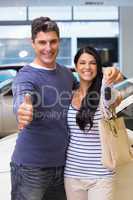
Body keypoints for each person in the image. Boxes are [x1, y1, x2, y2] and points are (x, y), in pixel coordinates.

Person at [11, 16, 123, 200]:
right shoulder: (25, 76)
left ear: (59, 42)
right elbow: (22, 97)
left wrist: (110, 76)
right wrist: (22, 109)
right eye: (42, 42)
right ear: (32, 43)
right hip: (31, 169)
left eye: (53, 41)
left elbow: (91, 89)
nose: (48, 48)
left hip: (62, 168)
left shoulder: (65, 74)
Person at [64, 46, 122, 200]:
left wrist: (110, 75)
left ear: (98, 66)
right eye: (82, 63)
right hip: (72, 174)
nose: (87, 67)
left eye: (92, 63)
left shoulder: (104, 94)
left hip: (101, 176)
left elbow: (112, 95)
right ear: (76, 66)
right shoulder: (68, 95)